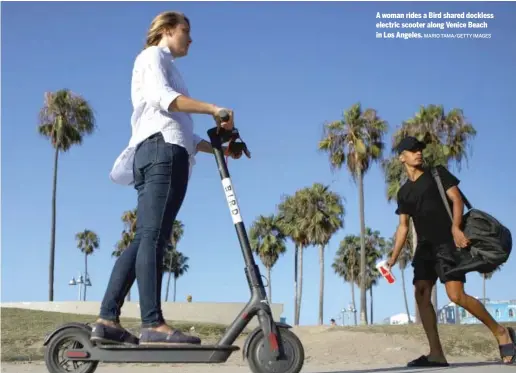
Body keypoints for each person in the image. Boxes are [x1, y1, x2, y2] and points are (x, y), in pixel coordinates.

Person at [90, 11, 243, 346]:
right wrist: (213, 108)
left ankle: (107, 319)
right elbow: (165, 100)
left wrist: (215, 148)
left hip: (163, 150)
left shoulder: (169, 67)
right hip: (161, 153)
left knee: (146, 237)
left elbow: (181, 130)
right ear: (167, 30)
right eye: (185, 31)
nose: (190, 38)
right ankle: (152, 323)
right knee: (154, 238)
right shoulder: (152, 58)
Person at [387, 136, 515, 366]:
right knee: (421, 293)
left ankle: (501, 332)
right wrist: (393, 257)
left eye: (420, 149)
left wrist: (456, 228)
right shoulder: (404, 193)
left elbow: (456, 199)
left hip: (447, 243)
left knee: (456, 296)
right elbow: (403, 226)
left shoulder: (437, 174)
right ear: (401, 157)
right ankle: (436, 353)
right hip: (425, 248)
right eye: (413, 150)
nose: (418, 153)